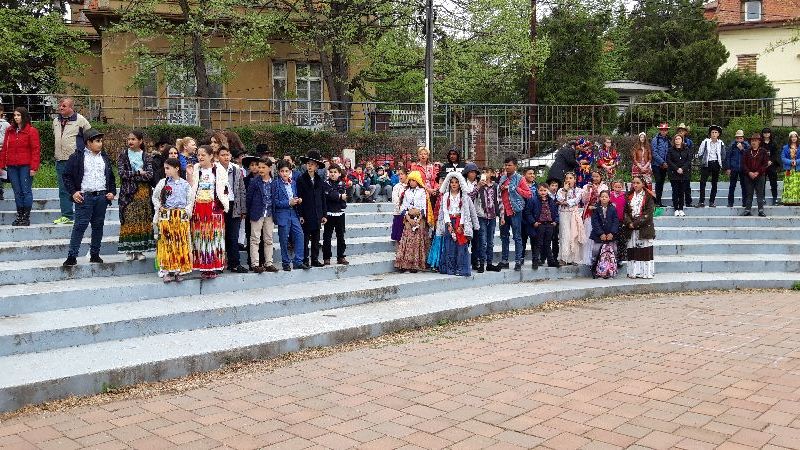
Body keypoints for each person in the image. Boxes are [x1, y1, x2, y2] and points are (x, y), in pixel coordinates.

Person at [62, 129, 116, 267]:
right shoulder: (77, 157)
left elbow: (110, 177)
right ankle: (72, 256)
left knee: (98, 226)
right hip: (85, 197)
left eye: (101, 141)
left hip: (101, 196)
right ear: (88, 143)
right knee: (80, 226)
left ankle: (95, 254)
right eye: (97, 141)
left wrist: (111, 192)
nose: (100, 143)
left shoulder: (104, 157)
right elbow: (66, 176)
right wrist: (73, 192)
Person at [152, 158, 195, 282]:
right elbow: (155, 197)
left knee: (180, 243)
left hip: (180, 217)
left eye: (168, 168)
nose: (165, 171)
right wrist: (160, 207)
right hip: (167, 216)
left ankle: (178, 270)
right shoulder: (163, 183)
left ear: (176, 168)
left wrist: (186, 211)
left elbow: (190, 200)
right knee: (167, 243)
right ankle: (166, 270)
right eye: (165, 168)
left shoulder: (185, 184)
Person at [189, 146, 229, 279]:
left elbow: (224, 188)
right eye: (198, 155)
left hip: (213, 207)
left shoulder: (219, 169)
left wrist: (222, 203)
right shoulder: (195, 168)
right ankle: (203, 266)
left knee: (214, 237)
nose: (200, 157)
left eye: (203, 155)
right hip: (198, 207)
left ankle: (213, 266)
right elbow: (191, 187)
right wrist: (189, 174)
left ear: (211, 156)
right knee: (200, 238)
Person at [53, 97, 92, 225]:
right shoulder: (55, 121)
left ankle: (84, 214)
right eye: (60, 105)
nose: (61, 108)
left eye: (64, 106)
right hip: (60, 160)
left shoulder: (81, 120)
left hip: (75, 160)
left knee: (80, 187)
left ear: (71, 107)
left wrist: (84, 154)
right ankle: (67, 215)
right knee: (63, 189)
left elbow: (90, 137)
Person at [117, 130, 155, 259]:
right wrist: (138, 172)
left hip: (143, 193)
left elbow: (149, 175)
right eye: (129, 139)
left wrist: (133, 175)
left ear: (140, 141)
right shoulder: (123, 155)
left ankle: (139, 251)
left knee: (142, 220)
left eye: (133, 139)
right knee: (129, 219)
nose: (130, 141)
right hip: (128, 194)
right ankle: (129, 251)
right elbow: (122, 173)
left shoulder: (146, 156)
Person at [0, 107, 40, 226]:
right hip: (12, 166)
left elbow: (36, 150)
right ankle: (19, 216)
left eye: (18, 115)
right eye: (15, 115)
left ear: (24, 116)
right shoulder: (10, 130)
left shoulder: (31, 131)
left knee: (25, 191)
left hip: (25, 166)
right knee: (17, 192)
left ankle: (25, 217)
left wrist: (34, 167)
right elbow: (4, 149)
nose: (16, 117)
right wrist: (1, 165)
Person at [437, 171, 478, 276]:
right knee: (449, 246)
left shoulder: (463, 196)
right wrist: (448, 224)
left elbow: (464, 210)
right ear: (449, 184)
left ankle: (461, 269)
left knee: (461, 245)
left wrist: (461, 225)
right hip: (449, 221)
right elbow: (445, 210)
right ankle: (450, 268)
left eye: (456, 182)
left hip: (460, 221)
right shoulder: (446, 195)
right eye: (452, 182)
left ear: (460, 184)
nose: (454, 184)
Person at [217, 146, 248, 273]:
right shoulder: (214, 169)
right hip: (219, 206)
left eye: (227, 154)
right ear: (217, 157)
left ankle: (234, 263)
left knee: (233, 236)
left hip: (233, 205)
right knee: (219, 236)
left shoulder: (236, 169)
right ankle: (218, 264)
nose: (226, 157)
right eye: (222, 155)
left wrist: (243, 209)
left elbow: (242, 190)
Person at [273, 160, 308, 271]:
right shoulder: (275, 184)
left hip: (293, 213)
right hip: (282, 213)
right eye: (282, 171)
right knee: (284, 239)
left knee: (300, 235)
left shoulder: (293, 183)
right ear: (278, 172)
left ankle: (298, 261)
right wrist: (288, 202)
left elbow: (295, 196)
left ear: (290, 172)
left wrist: (298, 200)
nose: (284, 173)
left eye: (286, 171)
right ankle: (285, 262)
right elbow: (275, 202)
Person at [498, 156, 531, 271]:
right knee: (504, 237)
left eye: (509, 165)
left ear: (515, 166)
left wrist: (516, 189)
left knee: (517, 237)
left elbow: (528, 194)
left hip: (515, 211)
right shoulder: (502, 178)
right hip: (503, 212)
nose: (507, 167)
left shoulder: (520, 178)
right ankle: (504, 260)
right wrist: (501, 188)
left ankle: (518, 261)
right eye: (506, 165)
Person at [245, 158, 279, 273]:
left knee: (268, 239)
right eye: (259, 167)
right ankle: (255, 264)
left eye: (263, 167)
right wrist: (250, 212)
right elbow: (249, 198)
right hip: (257, 213)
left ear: (269, 168)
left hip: (269, 214)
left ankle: (269, 263)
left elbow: (275, 198)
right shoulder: (254, 181)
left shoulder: (274, 182)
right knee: (255, 239)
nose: (260, 169)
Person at [395, 170, 432, 273]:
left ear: (418, 181)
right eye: (410, 180)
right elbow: (403, 207)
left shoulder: (422, 191)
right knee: (408, 240)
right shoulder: (406, 192)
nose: (411, 182)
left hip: (419, 219)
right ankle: (405, 264)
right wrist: (409, 219)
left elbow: (424, 207)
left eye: (414, 180)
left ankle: (416, 265)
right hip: (409, 218)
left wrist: (419, 220)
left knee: (417, 241)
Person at [296, 150, 327, 267]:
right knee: (305, 238)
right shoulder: (301, 179)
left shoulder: (319, 180)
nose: (309, 166)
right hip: (306, 213)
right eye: (308, 164)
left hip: (317, 213)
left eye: (312, 164)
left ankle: (314, 259)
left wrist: (324, 214)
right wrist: (300, 214)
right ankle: (305, 259)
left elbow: (323, 198)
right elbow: (299, 197)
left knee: (316, 238)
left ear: (317, 166)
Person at [624, 175, 656, 279]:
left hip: (644, 227)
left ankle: (645, 273)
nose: (635, 185)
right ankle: (634, 272)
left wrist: (635, 223)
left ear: (643, 184)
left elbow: (648, 213)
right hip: (631, 227)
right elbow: (625, 212)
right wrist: (629, 222)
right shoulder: (629, 195)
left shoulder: (648, 196)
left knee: (644, 250)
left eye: (638, 183)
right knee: (633, 250)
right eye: (634, 183)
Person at [524, 183, 559, 270]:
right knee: (538, 243)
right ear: (537, 190)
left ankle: (550, 261)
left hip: (549, 224)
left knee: (548, 244)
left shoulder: (551, 201)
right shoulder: (533, 200)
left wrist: (555, 221)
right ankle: (535, 261)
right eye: (541, 190)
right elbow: (527, 212)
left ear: (548, 191)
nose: (543, 192)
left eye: (544, 190)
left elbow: (555, 212)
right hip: (540, 224)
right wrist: (533, 222)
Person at [474, 167, 502, 273]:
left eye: (487, 172)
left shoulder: (495, 186)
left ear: (492, 174)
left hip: (492, 216)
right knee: (482, 241)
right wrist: (478, 186)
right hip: (481, 216)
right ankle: (482, 263)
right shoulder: (478, 185)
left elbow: (499, 201)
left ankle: (489, 263)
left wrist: (502, 216)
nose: (485, 174)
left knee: (490, 242)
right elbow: (470, 196)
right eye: (484, 172)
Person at [323, 163, 349, 265]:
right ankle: (326, 258)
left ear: (339, 173)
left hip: (340, 213)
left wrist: (336, 195)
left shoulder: (342, 184)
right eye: (331, 172)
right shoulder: (325, 184)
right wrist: (339, 196)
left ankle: (341, 256)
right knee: (327, 237)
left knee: (340, 236)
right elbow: (329, 195)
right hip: (329, 213)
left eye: (335, 172)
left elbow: (344, 196)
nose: (333, 174)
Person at [580, 170, 608, 267]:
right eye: (593, 176)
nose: (595, 178)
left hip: (600, 213)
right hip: (589, 213)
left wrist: (597, 206)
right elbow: (584, 200)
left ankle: (599, 258)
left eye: (597, 176)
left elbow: (605, 199)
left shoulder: (604, 187)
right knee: (588, 234)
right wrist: (588, 190)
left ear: (601, 177)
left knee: (599, 234)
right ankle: (587, 258)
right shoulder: (586, 186)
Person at [590, 190, 619, 278]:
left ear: (609, 198)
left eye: (606, 197)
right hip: (598, 235)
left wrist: (612, 233)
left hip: (610, 235)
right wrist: (601, 233)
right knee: (596, 251)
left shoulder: (613, 208)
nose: (604, 198)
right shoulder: (595, 208)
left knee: (613, 250)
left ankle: (611, 269)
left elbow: (615, 221)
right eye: (602, 196)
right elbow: (594, 222)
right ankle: (595, 269)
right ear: (599, 198)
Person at [556, 172, 584, 266]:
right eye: (567, 178)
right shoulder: (561, 190)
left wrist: (565, 202)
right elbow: (559, 199)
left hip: (573, 214)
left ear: (575, 180)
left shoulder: (578, 190)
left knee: (574, 235)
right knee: (565, 235)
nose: (568, 180)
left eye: (571, 178)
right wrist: (565, 190)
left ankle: (574, 258)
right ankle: (564, 258)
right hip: (564, 215)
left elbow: (576, 200)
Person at [696, 125, 724, 208]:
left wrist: (720, 162)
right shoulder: (705, 142)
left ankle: (712, 201)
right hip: (706, 164)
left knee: (714, 183)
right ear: (710, 134)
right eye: (712, 132)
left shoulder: (721, 143)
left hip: (716, 164)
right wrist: (703, 160)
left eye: (716, 132)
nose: (714, 134)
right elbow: (700, 153)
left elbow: (723, 154)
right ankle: (701, 201)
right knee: (702, 182)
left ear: (718, 134)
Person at [742, 133, 769, 217]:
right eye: (752, 141)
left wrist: (757, 172)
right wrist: (749, 172)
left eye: (755, 141)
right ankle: (747, 210)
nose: (753, 142)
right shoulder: (747, 151)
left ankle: (760, 210)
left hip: (760, 175)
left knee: (760, 193)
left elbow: (765, 164)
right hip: (748, 176)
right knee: (749, 193)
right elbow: (743, 164)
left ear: (759, 142)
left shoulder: (763, 151)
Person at [667, 134, 692, 217]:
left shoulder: (686, 149)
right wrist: (677, 169)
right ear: (674, 140)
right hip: (674, 173)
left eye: (679, 139)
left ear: (682, 140)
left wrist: (682, 169)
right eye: (676, 139)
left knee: (682, 192)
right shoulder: (670, 150)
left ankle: (681, 209)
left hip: (684, 173)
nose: (677, 140)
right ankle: (676, 209)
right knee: (675, 191)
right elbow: (669, 161)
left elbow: (688, 160)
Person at [723, 129, 748, 209]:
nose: (739, 139)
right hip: (733, 168)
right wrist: (728, 168)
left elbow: (748, 156)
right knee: (732, 186)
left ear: (743, 138)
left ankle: (745, 203)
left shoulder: (747, 145)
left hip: (743, 169)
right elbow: (728, 157)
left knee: (744, 186)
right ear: (735, 138)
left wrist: (742, 149)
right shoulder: (732, 145)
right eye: (737, 138)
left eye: (741, 138)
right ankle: (730, 203)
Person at [651, 123, 670, 207]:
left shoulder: (668, 140)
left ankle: (659, 201)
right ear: (660, 130)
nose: (663, 131)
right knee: (658, 181)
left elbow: (669, 152)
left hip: (665, 165)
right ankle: (656, 201)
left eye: (665, 130)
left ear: (667, 131)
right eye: (662, 130)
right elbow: (654, 153)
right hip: (656, 165)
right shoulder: (655, 140)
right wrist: (662, 162)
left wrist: (667, 163)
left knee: (661, 183)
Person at [676, 123, 694, 208]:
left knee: (687, 184)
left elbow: (691, 154)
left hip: (686, 166)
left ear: (685, 132)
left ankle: (688, 201)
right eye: (679, 131)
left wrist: (685, 165)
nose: (681, 132)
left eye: (682, 131)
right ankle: (678, 202)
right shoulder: (675, 140)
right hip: (677, 167)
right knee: (677, 185)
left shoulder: (689, 142)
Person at [609, 180, 627, 261]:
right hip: (611, 221)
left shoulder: (625, 196)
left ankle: (620, 258)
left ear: (622, 187)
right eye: (615, 187)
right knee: (612, 239)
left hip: (621, 221)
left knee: (621, 239)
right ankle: (611, 257)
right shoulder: (609, 195)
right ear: (613, 187)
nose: (617, 189)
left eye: (619, 187)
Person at [762, 128, 780, 205]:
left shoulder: (773, 143)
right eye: (765, 133)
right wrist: (765, 161)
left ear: (770, 134)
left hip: (772, 165)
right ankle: (762, 198)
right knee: (762, 182)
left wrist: (771, 161)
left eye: (768, 132)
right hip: (762, 165)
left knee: (773, 183)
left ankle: (775, 199)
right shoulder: (760, 143)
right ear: (762, 134)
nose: (766, 134)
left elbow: (775, 154)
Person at [782, 131, 800, 206]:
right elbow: (783, 158)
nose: (794, 138)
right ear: (790, 138)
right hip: (788, 169)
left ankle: (797, 201)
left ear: (797, 138)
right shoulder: (785, 147)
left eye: (795, 137)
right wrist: (790, 162)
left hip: (797, 169)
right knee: (788, 185)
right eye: (792, 137)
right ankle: (788, 201)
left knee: (797, 185)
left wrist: (796, 162)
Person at [390, 168, 408, 242]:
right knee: (398, 237)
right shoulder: (397, 187)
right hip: (399, 214)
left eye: (402, 174)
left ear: (406, 175)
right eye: (399, 174)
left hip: (409, 214)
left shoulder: (410, 186)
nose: (400, 176)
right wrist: (402, 211)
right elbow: (395, 201)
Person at [0, 104, 11, 201]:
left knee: (1, 172)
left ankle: (0, 192)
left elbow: (10, 139)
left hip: (2, 151)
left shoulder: (6, 124)